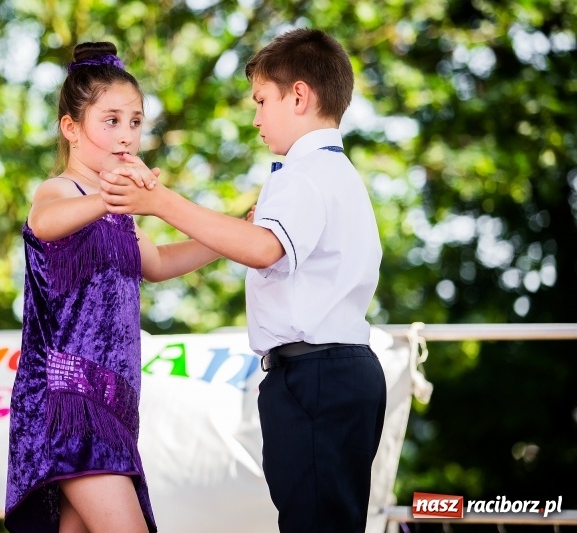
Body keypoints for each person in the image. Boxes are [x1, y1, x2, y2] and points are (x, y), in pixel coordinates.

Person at [100, 28, 387, 533]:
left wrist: (159, 203)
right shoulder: (331, 172)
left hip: (316, 373)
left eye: (261, 101)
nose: (255, 117)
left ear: (299, 95)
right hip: (325, 372)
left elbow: (262, 248)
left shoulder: (304, 174)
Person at [3, 41, 220, 533]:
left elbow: (160, 261)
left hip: (115, 403)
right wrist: (109, 195)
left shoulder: (116, 209)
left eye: (136, 122)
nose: (127, 136)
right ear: (71, 129)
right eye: (112, 120)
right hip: (69, 400)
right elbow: (44, 222)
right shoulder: (64, 190)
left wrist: (230, 234)